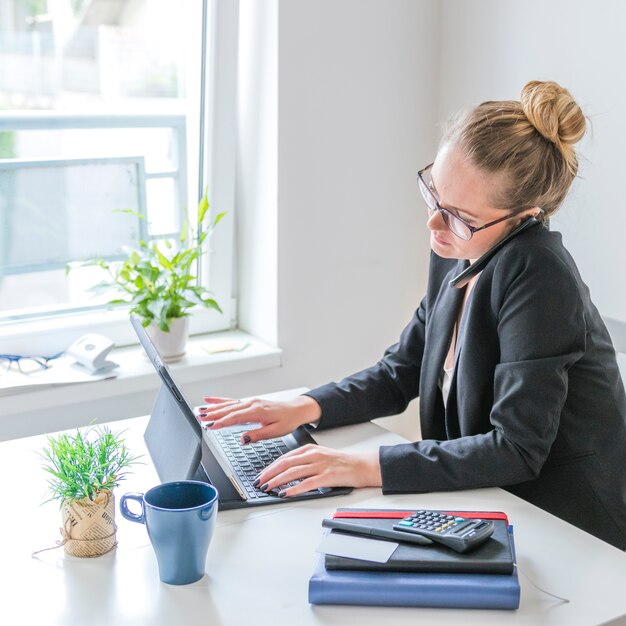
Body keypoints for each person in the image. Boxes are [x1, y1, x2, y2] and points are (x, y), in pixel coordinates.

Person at [198, 80, 626, 550]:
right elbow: (401, 370)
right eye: (434, 194)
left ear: (524, 217)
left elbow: (516, 448)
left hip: (573, 527)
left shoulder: (540, 274)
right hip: (495, 503)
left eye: (458, 215)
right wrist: (304, 406)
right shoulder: (460, 246)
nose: (434, 223)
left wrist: (364, 466)